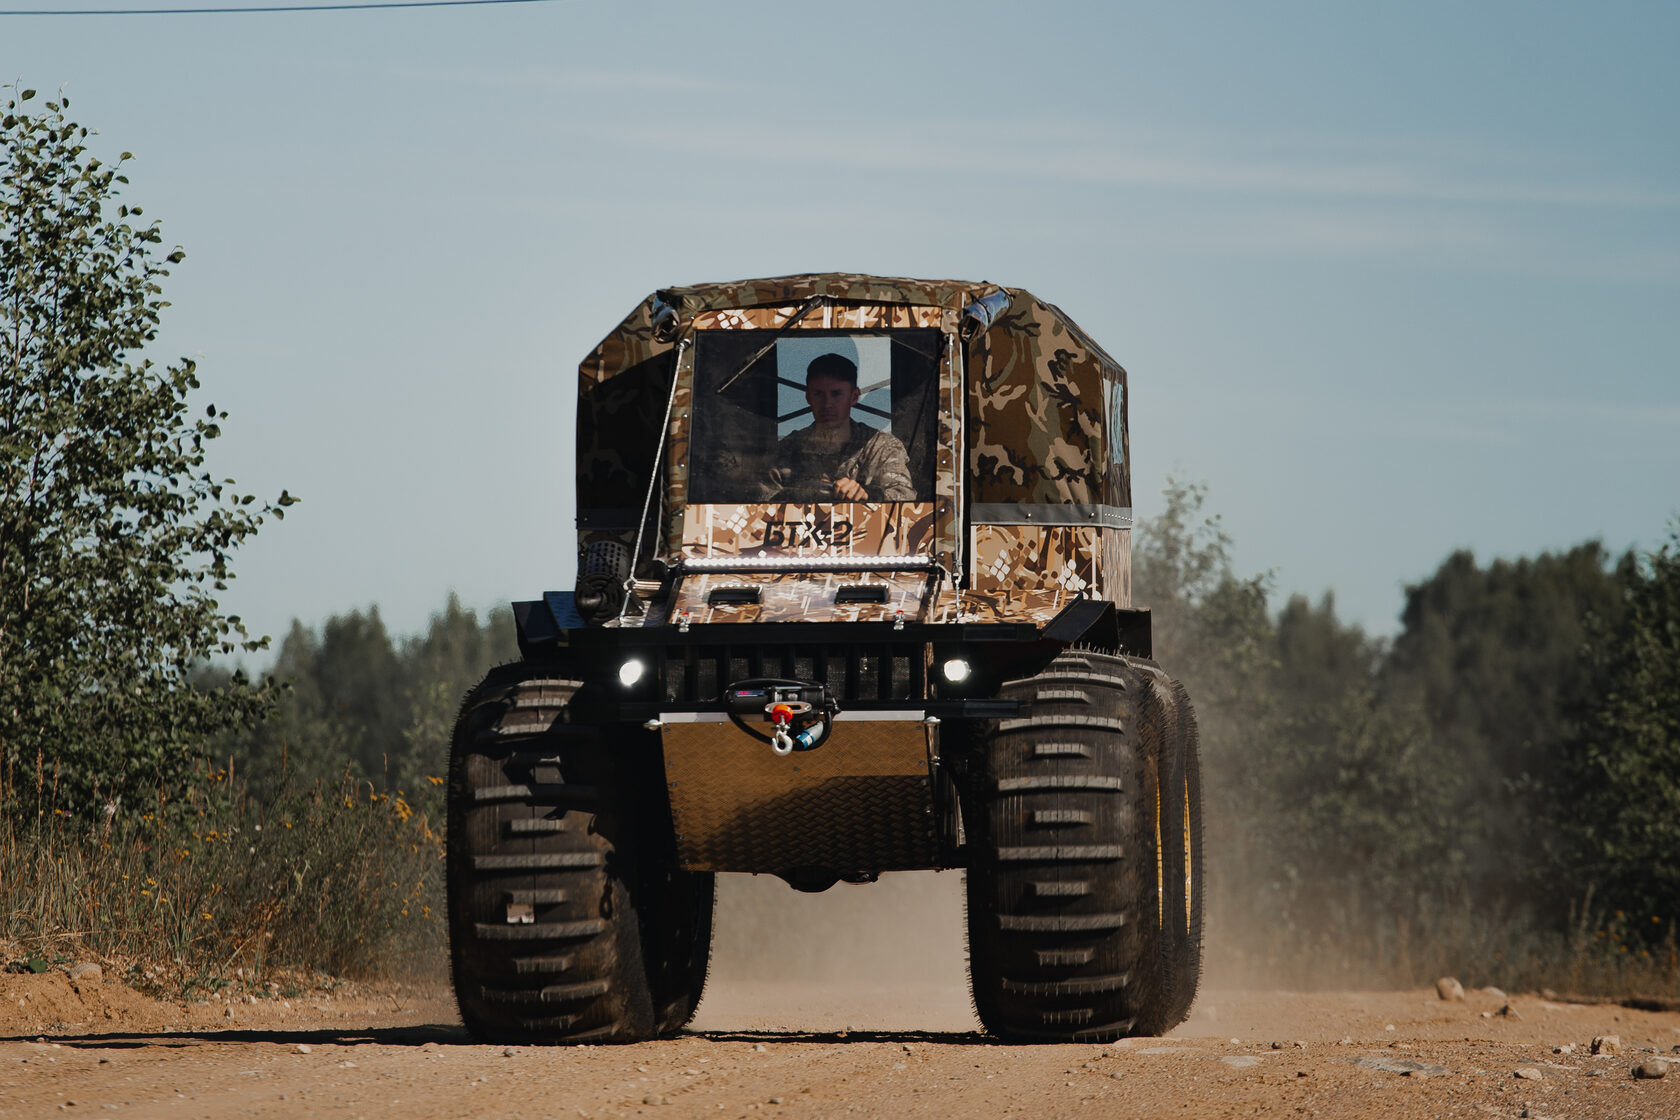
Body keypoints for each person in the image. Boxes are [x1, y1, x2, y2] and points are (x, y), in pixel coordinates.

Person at [765, 353, 915, 502]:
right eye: (818, 394)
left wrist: (867, 495)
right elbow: (762, 498)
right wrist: (802, 494)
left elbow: (904, 495)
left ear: (854, 396)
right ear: (808, 397)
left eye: (836, 394)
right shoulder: (790, 447)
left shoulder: (881, 447)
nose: (827, 404)